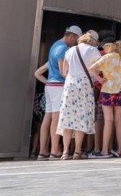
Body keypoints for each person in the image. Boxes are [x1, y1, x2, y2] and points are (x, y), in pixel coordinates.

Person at [33, 25, 81, 160]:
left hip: (50, 85)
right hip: (58, 86)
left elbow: (39, 72)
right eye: (76, 40)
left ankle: (43, 151)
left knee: (47, 117)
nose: (76, 43)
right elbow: (62, 71)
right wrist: (75, 82)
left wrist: (48, 82)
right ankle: (54, 151)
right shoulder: (63, 49)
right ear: (71, 36)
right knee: (56, 118)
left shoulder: (54, 46)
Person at [88, 40, 121, 158]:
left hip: (107, 90)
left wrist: (100, 79)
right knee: (119, 120)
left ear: (109, 48)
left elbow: (91, 69)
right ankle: (120, 149)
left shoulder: (106, 57)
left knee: (108, 120)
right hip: (120, 90)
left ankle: (105, 150)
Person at [57, 32, 101, 159]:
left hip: (70, 85)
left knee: (67, 117)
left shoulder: (69, 51)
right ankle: (77, 151)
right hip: (85, 85)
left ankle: (65, 152)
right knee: (81, 117)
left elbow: (64, 72)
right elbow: (99, 68)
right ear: (91, 41)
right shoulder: (93, 50)